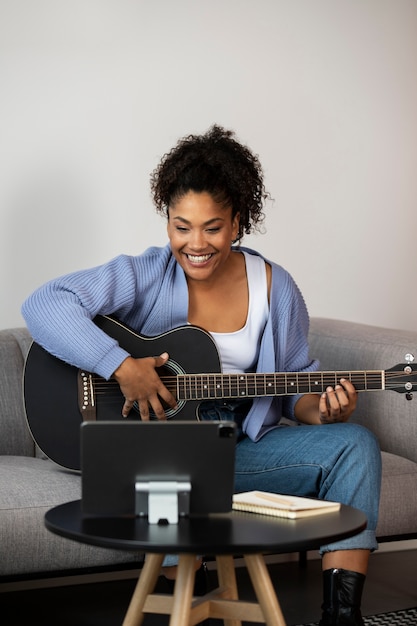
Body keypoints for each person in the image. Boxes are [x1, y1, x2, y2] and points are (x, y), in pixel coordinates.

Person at [22, 124, 381, 625]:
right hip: (158, 448)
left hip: (238, 445)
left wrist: (321, 410)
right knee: (176, 466)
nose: (195, 244)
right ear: (167, 222)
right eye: (181, 226)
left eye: (212, 227)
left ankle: (341, 615)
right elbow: (44, 303)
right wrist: (121, 366)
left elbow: (296, 386)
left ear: (238, 222)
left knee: (355, 443)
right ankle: (194, 593)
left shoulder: (275, 287)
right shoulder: (146, 272)